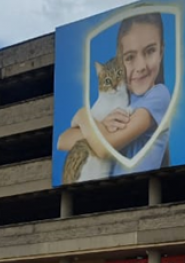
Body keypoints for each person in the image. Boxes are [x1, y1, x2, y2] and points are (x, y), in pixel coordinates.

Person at [58, 12, 173, 177]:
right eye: (130, 57)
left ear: (161, 53)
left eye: (150, 51)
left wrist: (83, 116)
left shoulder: (158, 96)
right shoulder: (124, 97)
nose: (140, 66)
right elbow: (63, 140)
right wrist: (102, 126)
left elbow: (104, 148)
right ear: (121, 61)